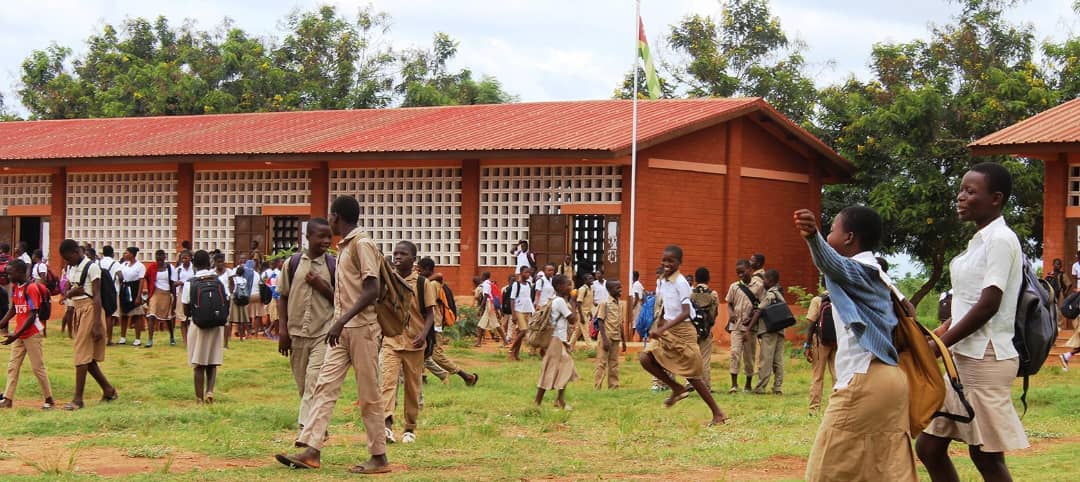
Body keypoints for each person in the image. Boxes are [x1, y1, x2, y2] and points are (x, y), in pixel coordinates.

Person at [917, 162, 1029, 481]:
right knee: (928, 448)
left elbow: (988, 305)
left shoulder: (1001, 240)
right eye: (961, 190)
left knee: (986, 456)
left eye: (970, 191)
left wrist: (939, 345)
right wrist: (939, 335)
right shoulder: (979, 241)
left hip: (986, 359)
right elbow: (968, 303)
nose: (960, 197)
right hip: (963, 359)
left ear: (996, 198)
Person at [794, 206, 915, 481]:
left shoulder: (859, 270)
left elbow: (832, 264)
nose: (829, 234)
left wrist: (814, 237)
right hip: (891, 380)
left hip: (865, 379)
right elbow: (909, 312)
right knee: (884, 470)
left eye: (832, 230)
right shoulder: (881, 276)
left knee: (824, 472)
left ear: (849, 238)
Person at [275, 196, 391, 474]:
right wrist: (339, 324)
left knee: (369, 395)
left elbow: (372, 289)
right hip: (342, 330)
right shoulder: (346, 247)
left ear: (337, 216)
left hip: (361, 329)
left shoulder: (362, 244)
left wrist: (342, 321)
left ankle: (379, 456)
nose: (329, 220)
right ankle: (311, 450)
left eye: (330, 216)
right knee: (323, 387)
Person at [638, 245, 728, 426]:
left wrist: (663, 329)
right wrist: (661, 323)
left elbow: (686, 312)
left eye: (671, 261)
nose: (666, 264)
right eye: (664, 260)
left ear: (679, 263)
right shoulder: (663, 281)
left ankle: (718, 413)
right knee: (645, 358)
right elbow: (666, 305)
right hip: (668, 329)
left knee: (693, 374)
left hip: (684, 331)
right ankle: (677, 388)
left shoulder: (681, 282)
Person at [278, 218, 336, 431]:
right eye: (321, 236)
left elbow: (341, 300)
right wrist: (282, 330)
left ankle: (306, 430)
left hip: (324, 332)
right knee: (303, 385)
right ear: (308, 237)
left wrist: (322, 287)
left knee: (314, 381)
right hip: (296, 333)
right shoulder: (292, 264)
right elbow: (282, 296)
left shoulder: (332, 266)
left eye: (329, 236)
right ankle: (318, 424)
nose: (326, 241)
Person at [380, 241, 434, 445]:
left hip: (414, 343)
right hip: (391, 340)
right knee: (387, 383)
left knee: (413, 387)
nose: (398, 257)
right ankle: (386, 425)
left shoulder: (422, 283)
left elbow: (430, 313)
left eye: (403, 254)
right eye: (395, 253)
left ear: (413, 259)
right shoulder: (388, 280)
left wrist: (423, 333)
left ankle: (410, 427)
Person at [59, 239, 118, 411]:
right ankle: (109, 390)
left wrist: (98, 324)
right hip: (78, 309)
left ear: (76, 252)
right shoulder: (72, 268)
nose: (67, 262)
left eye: (68, 258)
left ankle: (78, 399)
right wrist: (71, 292)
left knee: (81, 355)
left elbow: (97, 296)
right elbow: (69, 292)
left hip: (90, 310)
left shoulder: (92, 267)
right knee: (88, 358)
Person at [0, 259, 55, 409]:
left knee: (38, 367)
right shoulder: (16, 287)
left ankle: (49, 399)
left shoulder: (31, 289)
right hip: (19, 333)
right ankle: (7, 399)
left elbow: (32, 315)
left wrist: (15, 335)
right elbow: (13, 309)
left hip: (32, 334)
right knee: (13, 366)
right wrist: (2, 323)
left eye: (10, 273)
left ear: (20, 272)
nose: (8, 276)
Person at [417, 258, 478, 386]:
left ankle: (466, 376)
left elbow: (428, 305)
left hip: (433, 325)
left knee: (436, 355)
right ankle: (421, 377)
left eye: (420, 269)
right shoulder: (433, 282)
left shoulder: (432, 285)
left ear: (427, 270)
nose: (418, 272)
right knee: (421, 353)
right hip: (431, 325)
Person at [182, 250, 225, 403]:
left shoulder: (190, 283)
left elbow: (186, 310)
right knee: (212, 361)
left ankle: (199, 398)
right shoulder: (218, 281)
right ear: (209, 263)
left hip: (198, 325)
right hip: (216, 325)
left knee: (198, 363)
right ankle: (210, 391)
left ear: (194, 264)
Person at [535, 274, 578, 409]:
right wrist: (574, 302)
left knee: (563, 368)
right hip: (556, 340)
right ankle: (539, 402)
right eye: (568, 285)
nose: (570, 287)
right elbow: (572, 319)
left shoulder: (555, 300)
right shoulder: (559, 301)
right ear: (559, 287)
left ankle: (559, 400)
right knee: (552, 369)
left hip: (558, 339)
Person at [748, 270, 786, 395]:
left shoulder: (770, 294)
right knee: (778, 360)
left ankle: (760, 387)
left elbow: (760, 310)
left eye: (764, 279)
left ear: (770, 281)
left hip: (769, 330)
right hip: (780, 330)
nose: (762, 282)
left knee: (766, 359)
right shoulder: (780, 293)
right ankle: (777, 387)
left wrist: (748, 329)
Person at [725, 259, 758, 393]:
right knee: (734, 353)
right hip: (736, 326)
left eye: (742, 272)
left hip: (751, 328)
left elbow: (760, 307)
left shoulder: (758, 286)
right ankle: (734, 384)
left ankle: (748, 384)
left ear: (750, 270)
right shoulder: (734, 287)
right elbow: (729, 303)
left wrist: (751, 321)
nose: (740, 275)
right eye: (738, 273)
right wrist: (731, 313)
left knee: (749, 356)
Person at [804, 281, 836, 414]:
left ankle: (814, 409)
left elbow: (811, 324)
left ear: (823, 285)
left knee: (818, 376)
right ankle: (836, 408)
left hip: (820, 342)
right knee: (837, 375)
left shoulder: (817, 300)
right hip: (837, 342)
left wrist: (807, 344)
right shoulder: (840, 299)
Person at [690, 267, 720, 392]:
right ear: (708, 279)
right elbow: (715, 313)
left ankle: (690, 383)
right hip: (706, 330)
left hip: (692, 330)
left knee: (692, 358)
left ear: (695, 279)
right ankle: (706, 386)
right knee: (705, 360)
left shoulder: (691, 294)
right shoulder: (713, 295)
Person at [594, 280, 626, 389]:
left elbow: (620, 323)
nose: (620, 290)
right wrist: (604, 339)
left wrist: (624, 340)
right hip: (606, 337)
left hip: (616, 337)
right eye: (617, 288)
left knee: (614, 363)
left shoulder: (620, 304)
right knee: (602, 363)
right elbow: (600, 321)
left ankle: (613, 386)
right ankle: (597, 386)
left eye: (620, 287)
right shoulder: (605, 303)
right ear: (609, 290)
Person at [145, 249, 178, 347]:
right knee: (151, 315)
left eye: (161, 255)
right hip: (155, 292)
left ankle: (171, 337)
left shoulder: (170, 267)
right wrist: (149, 292)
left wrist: (174, 298)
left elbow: (173, 283)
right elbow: (146, 277)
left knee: (168, 317)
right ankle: (150, 340)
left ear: (165, 257)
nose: (159, 257)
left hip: (166, 293)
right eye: (157, 255)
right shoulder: (152, 267)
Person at [117, 247, 147, 346]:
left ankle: (137, 338)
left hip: (134, 289)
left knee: (137, 314)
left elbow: (141, 281)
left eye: (126, 253)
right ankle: (122, 337)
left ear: (132, 254)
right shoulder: (123, 265)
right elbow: (119, 274)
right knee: (124, 314)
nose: (124, 255)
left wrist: (138, 296)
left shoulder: (140, 266)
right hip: (124, 289)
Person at [506, 267, 535, 360]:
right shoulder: (516, 284)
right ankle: (511, 350)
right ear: (521, 273)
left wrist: (532, 310)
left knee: (520, 333)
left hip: (527, 310)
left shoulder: (529, 284)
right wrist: (513, 314)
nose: (528, 274)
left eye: (529, 273)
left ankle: (516, 354)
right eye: (526, 272)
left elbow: (528, 298)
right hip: (519, 310)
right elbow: (512, 299)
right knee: (524, 330)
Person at [97, 246, 122, 345]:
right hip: (112, 291)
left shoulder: (97, 262)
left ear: (103, 253)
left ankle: (100, 338)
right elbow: (120, 276)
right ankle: (109, 339)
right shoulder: (115, 264)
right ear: (112, 254)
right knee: (109, 315)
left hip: (99, 291)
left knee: (99, 315)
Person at [475, 272, 505, 348]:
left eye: (482, 275)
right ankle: (478, 342)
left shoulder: (486, 285)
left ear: (485, 276)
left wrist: (480, 308)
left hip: (489, 305)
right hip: (490, 304)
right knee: (482, 324)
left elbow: (485, 297)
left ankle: (505, 340)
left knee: (495, 324)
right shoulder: (489, 283)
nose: (481, 277)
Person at [175, 250, 195, 344]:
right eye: (182, 258)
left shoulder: (194, 269)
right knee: (183, 318)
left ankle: (192, 339)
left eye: (186, 257)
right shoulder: (178, 269)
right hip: (182, 293)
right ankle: (185, 341)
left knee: (192, 318)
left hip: (193, 293)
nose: (184, 260)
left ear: (190, 258)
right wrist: (178, 283)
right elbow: (174, 283)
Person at [569, 273, 594, 349]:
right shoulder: (583, 289)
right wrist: (581, 316)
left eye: (592, 278)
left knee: (577, 332)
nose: (592, 280)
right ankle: (591, 348)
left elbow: (589, 301)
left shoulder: (591, 289)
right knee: (586, 332)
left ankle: (569, 346)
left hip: (587, 312)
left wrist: (590, 312)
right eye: (590, 279)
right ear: (585, 280)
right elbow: (579, 303)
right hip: (582, 313)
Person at [229, 264, 251, 342]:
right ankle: (241, 338)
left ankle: (229, 337)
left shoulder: (234, 279)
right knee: (241, 320)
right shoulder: (244, 280)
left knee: (231, 320)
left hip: (235, 300)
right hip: (242, 300)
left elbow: (231, 288)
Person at [630, 271, 644, 340]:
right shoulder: (639, 284)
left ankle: (631, 337)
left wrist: (632, 307)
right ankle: (640, 337)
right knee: (638, 321)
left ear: (634, 277)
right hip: (640, 303)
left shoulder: (635, 284)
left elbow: (636, 297)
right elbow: (644, 293)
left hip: (636, 303)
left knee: (635, 321)